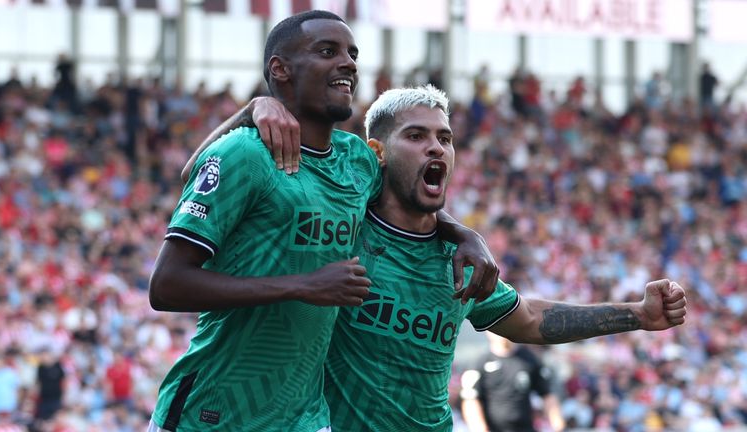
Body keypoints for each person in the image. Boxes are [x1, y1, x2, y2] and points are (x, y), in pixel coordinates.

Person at [234, 85, 687, 431]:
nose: (436, 147)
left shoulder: (462, 259)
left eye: (445, 138)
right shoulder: (338, 232)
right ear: (378, 154)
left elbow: (529, 319)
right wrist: (251, 110)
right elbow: (205, 175)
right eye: (416, 136)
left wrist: (637, 315)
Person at [149, 11, 497, 432]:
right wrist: (304, 286)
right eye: (327, 51)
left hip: (304, 419)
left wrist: (466, 234)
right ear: (280, 70)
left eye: (352, 53)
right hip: (212, 413)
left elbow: (407, 201)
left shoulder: (357, 162)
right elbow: (166, 285)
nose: (348, 63)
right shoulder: (246, 153)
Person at [460, 332, 565, 432]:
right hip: (493, 429)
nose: (501, 333)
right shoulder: (479, 363)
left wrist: (557, 423)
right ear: (488, 332)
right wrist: (479, 428)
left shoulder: (529, 359)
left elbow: (547, 394)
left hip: (525, 428)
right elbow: (471, 400)